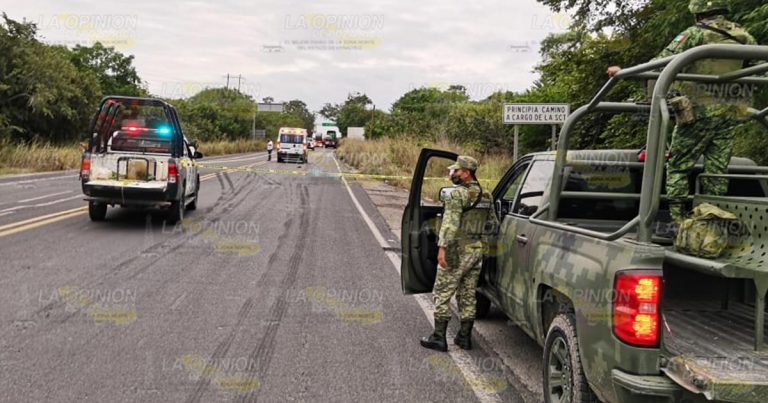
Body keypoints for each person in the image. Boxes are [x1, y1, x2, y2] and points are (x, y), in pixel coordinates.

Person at [608, 0, 756, 223]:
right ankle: (711, 223)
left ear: (698, 13)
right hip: (729, 114)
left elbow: (659, 63)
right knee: (717, 171)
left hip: (696, 113)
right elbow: (755, 69)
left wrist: (624, 72)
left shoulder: (696, 34)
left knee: (678, 167)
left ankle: (678, 223)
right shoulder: (745, 36)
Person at [420, 156, 498, 352]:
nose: (452, 174)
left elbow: (450, 223)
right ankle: (464, 337)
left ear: (466, 172)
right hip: (476, 249)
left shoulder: (457, 195)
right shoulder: (486, 195)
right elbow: (493, 225)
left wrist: (442, 248)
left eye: (456, 171)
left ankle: (438, 337)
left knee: (442, 292)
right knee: (468, 294)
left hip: (457, 250)